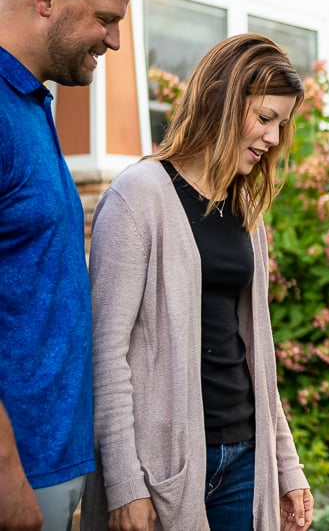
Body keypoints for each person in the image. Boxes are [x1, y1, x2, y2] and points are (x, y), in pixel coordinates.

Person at [80, 34, 313, 531]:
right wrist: (124, 483)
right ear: (222, 102)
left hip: (245, 459)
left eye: (282, 124)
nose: (273, 138)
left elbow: (259, 351)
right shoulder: (136, 198)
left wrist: (286, 465)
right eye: (265, 118)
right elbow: (106, 353)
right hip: (164, 465)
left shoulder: (247, 212)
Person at [0, 0, 131, 531]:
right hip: (17, 470)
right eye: (105, 18)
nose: (115, 40)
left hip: (54, 461)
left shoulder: (30, 101)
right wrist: (7, 476)